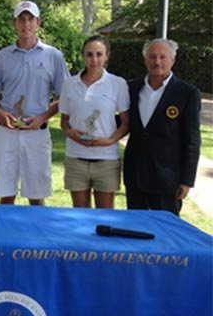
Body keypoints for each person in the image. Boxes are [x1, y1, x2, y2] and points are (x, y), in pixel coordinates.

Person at [0, 1, 70, 206]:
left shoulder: (53, 56)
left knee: (37, 193)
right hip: (6, 132)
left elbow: (64, 96)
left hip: (37, 133)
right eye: (22, 19)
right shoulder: (2, 57)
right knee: (6, 193)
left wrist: (43, 117)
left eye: (30, 19)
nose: (26, 24)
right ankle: (6, 237)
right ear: (15, 23)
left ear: (38, 23)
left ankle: (38, 238)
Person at [123, 38, 201, 215]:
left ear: (172, 60)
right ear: (145, 60)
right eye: (152, 57)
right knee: (135, 229)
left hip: (168, 178)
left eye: (162, 57)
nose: (157, 62)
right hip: (136, 174)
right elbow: (121, 122)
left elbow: (192, 141)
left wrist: (187, 181)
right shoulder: (132, 89)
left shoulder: (187, 93)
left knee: (166, 232)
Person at [59, 35, 130, 209]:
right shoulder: (69, 84)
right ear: (83, 56)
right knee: (81, 216)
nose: (94, 59)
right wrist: (70, 133)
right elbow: (64, 121)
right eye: (89, 54)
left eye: (99, 54)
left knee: (105, 216)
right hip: (76, 158)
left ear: (107, 56)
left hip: (106, 160)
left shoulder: (117, 84)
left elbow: (126, 123)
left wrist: (109, 141)